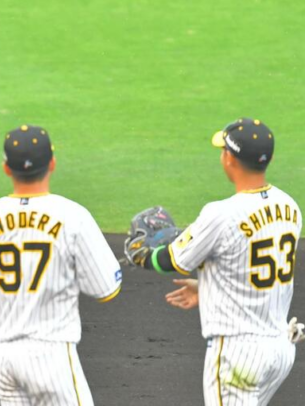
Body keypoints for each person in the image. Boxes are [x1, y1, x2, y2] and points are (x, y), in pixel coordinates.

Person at [128, 118, 301, 405]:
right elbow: (255, 267)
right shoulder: (289, 207)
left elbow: (172, 259)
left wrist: (143, 254)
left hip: (239, 357)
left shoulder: (221, 214)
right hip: (280, 349)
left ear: (230, 159)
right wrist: (210, 287)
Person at [0, 125, 122, 405]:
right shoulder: (73, 216)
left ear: (6, 168)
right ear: (52, 163)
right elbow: (106, 289)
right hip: (51, 355)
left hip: (2, 359)